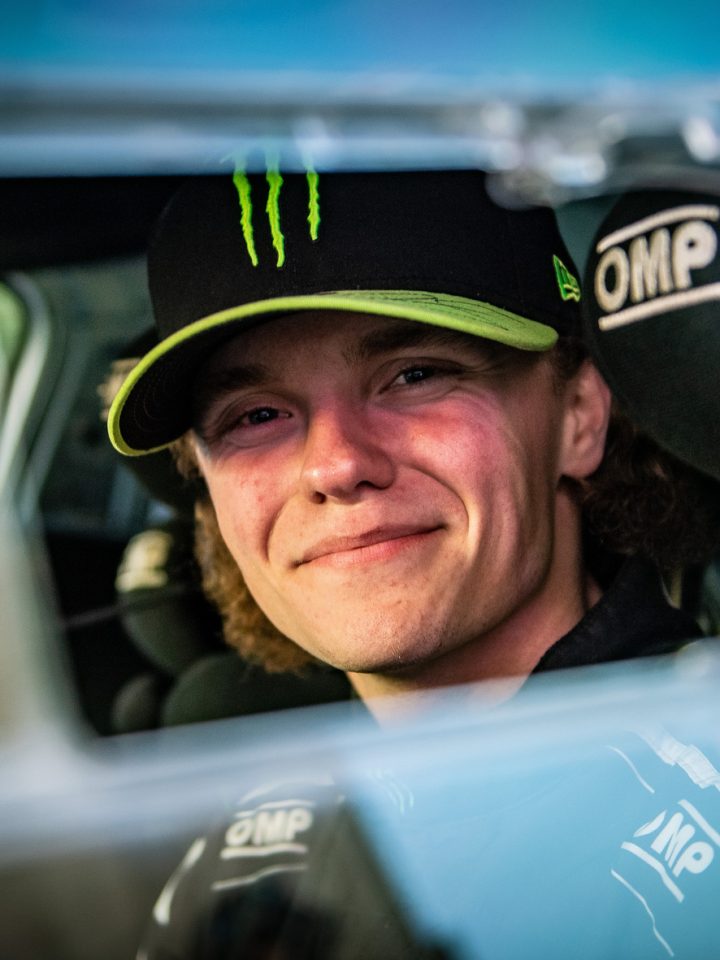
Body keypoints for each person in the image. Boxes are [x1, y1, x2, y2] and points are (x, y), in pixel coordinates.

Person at [107, 169, 720, 958]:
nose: (335, 465)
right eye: (256, 416)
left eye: (415, 375)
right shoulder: (246, 853)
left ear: (577, 415)